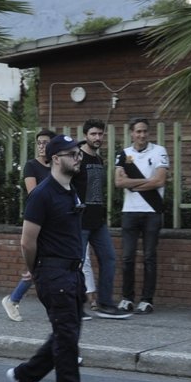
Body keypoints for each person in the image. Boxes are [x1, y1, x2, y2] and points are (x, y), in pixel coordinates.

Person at [7, 135, 92, 382]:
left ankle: (24, 374)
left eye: (78, 153)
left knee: (65, 333)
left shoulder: (70, 190)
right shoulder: (41, 195)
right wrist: (36, 270)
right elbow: (27, 241)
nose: (77, 157)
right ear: (56, 158)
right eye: (72, 154)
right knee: (67, 338)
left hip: (72, 272)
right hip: (53, 273)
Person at [114, 117, 169, 313]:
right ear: (131, 133)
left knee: (149, 257)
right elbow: (119, 183)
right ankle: (127, 298)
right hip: (130, 212)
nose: (142, 135)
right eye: (138, 131)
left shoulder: (159, 151)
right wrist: (146, 181)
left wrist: (132, 183)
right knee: (127, 257)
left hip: (152, 211)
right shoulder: (124, 154)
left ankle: (147, 300)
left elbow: (160, 181)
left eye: (145, 131)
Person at [76, 120, 129, 319]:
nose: (98, 138)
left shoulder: (98, 159)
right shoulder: (76, 157)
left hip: (97, 222)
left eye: (100, 134)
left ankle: (106, 303)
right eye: (93, 134)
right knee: (76, 265)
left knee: (109, 259)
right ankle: (75, 306)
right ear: (85, 134)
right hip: (79, 222)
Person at [1, 129, 54, 322]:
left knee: (44, 265)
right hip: (37, 221)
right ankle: (13, 299)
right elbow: (34, 193)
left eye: (46, 142)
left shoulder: (55, 167)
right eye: (39, 142)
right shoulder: (31, 166)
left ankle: (16, 299)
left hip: (53, 222)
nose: (42, 146)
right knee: (37, 265)